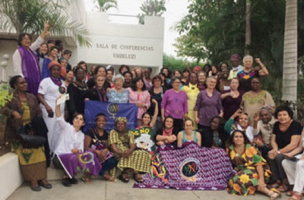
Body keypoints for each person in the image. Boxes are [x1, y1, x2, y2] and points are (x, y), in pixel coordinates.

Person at [2, 76, 52, 191]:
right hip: (18, 133)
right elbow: (3, 109)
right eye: (21, 83)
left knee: (40, 153)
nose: (25, 84)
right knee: (27, 155)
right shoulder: (10, 97)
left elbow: (38, 112)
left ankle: (43, 178)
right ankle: (33, 180)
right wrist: (13, 112)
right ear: (15, 85)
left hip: (32, 130)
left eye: (25, 82)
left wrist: (36, 125)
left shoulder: (32, 97)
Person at [53, 100, 101, 187]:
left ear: (83, 123)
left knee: (88, 155)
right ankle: (66, 176)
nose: (78, 120)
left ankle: (83, 174)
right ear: (73, 120)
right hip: (59, 158)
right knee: (73, 158)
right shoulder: (66, 127)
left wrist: (77, 150)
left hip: (72, 156)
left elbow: (81, 149)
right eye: (76, 118)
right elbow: (59, 116)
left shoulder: (81, 135)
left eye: (81, 119)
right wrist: (58, 104)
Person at [226, 130, 280, 199]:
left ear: (244, 139)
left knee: (241, 179)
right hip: (241, 170)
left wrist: (261, 179)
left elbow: (259, 164)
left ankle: (267, 191)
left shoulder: (250, 148)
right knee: (233, 181)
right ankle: (260, 188)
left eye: (241, 137)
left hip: (257, 170)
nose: (238, 138)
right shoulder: (230, 149)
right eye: (236, 137)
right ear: (232, 139)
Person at [268, 106, 302, 192]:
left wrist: (278, 152)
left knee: (279, 157)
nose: (282, 117)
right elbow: (273, 140)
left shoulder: (295, 125)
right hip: (279, 148)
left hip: (293, 151)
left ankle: (285, 181)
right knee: (269, 154)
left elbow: (294, 144)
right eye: (279, 115)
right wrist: (275, 150)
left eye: (284, 115)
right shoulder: (276, 124)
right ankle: (277, 179)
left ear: (289, 115)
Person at [109, 117, 151, 183]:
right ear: (115, 125)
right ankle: (135, 173)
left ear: (125, 125)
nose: (120, 126)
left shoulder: (130, 132)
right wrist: (120, 153)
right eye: (118, 124)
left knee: (142, 152)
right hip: (117, 152)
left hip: (128, 152)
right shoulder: (113, 132)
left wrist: (129, 151)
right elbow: (113, 146)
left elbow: (132, 145)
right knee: (123, 150)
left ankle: (126, 173)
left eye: (122, 124)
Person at [13, 22, 50, 95]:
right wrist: (22, 81)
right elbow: (17, 68)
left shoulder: (30, 50)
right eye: (25, 39)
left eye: (29, 39)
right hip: (26, 82)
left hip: (35, 80)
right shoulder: (19, 52)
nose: (27, 40)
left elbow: (38, 42)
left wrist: (45, 29)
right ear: (20, 41)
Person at [37, 62, 66, 154]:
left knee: (58, 132)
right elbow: (40, 95)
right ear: (50, 71)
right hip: (49, 110)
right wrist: (47, 106)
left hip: (60, 111)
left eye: (58, 69)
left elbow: (64, 96)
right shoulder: (46, 81)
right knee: (50, 131)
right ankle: (47, 153)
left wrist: (65, 110)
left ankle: (54, 153)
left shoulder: (62, 83)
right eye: (54, 69)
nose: (56, 71)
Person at [84, 113, 118, 182]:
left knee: (113, 161)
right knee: (90, 154)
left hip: (101, 156)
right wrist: (96, 151)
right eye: (99, 121)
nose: (101, 122)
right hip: (92, 154)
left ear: (105, 122)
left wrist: (105, 150)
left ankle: (96, 171)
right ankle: (103, 174)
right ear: (96, 121)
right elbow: (86, 147)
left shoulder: (106, 134)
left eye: (103, 121)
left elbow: (108, 146)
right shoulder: (90, 132)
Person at [282, 132, 304, 200]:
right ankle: (297, 188)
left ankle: (298, 192)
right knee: (285, 162)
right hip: (302, 156)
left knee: (300, 164)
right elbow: (300, 147)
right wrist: (290, 154)